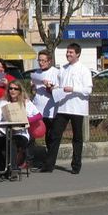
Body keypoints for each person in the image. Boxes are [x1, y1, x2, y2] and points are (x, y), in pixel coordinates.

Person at [39, 43, 92, 174]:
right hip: (63, 107)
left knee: (77, 137)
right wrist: (50, 86)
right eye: (67, 52)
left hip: (77, 108)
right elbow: (58, 86)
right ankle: (49, 165)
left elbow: (88, 90)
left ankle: (76, 165)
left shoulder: (84, 70)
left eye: (71, 52)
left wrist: (73, 89)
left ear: (78, 54)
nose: (68, 54)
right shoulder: (62, 69)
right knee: (54, 135)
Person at [0, 80, 43, 171]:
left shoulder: (25, 102)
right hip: (5, 133)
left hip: (21, 134)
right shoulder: (4, 102)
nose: (12, 90)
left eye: (15, 89)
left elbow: (39, 115)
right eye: (10, 88)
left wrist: (27, 120)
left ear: (20, 91)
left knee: (12, 142)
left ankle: (13, 169)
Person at [29, 49, 60, 154]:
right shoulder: (36, 73)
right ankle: (29, 158)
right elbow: (33, 92)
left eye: (43, 61)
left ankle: (49, 159)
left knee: (49, 137)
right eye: (39, 60)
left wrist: (49, 87)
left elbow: (58, 93)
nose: (41, 63)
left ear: (49, 61)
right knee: (32, 134)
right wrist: (32, 87)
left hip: (50, 110)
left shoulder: (56, 73)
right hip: (37, 109)